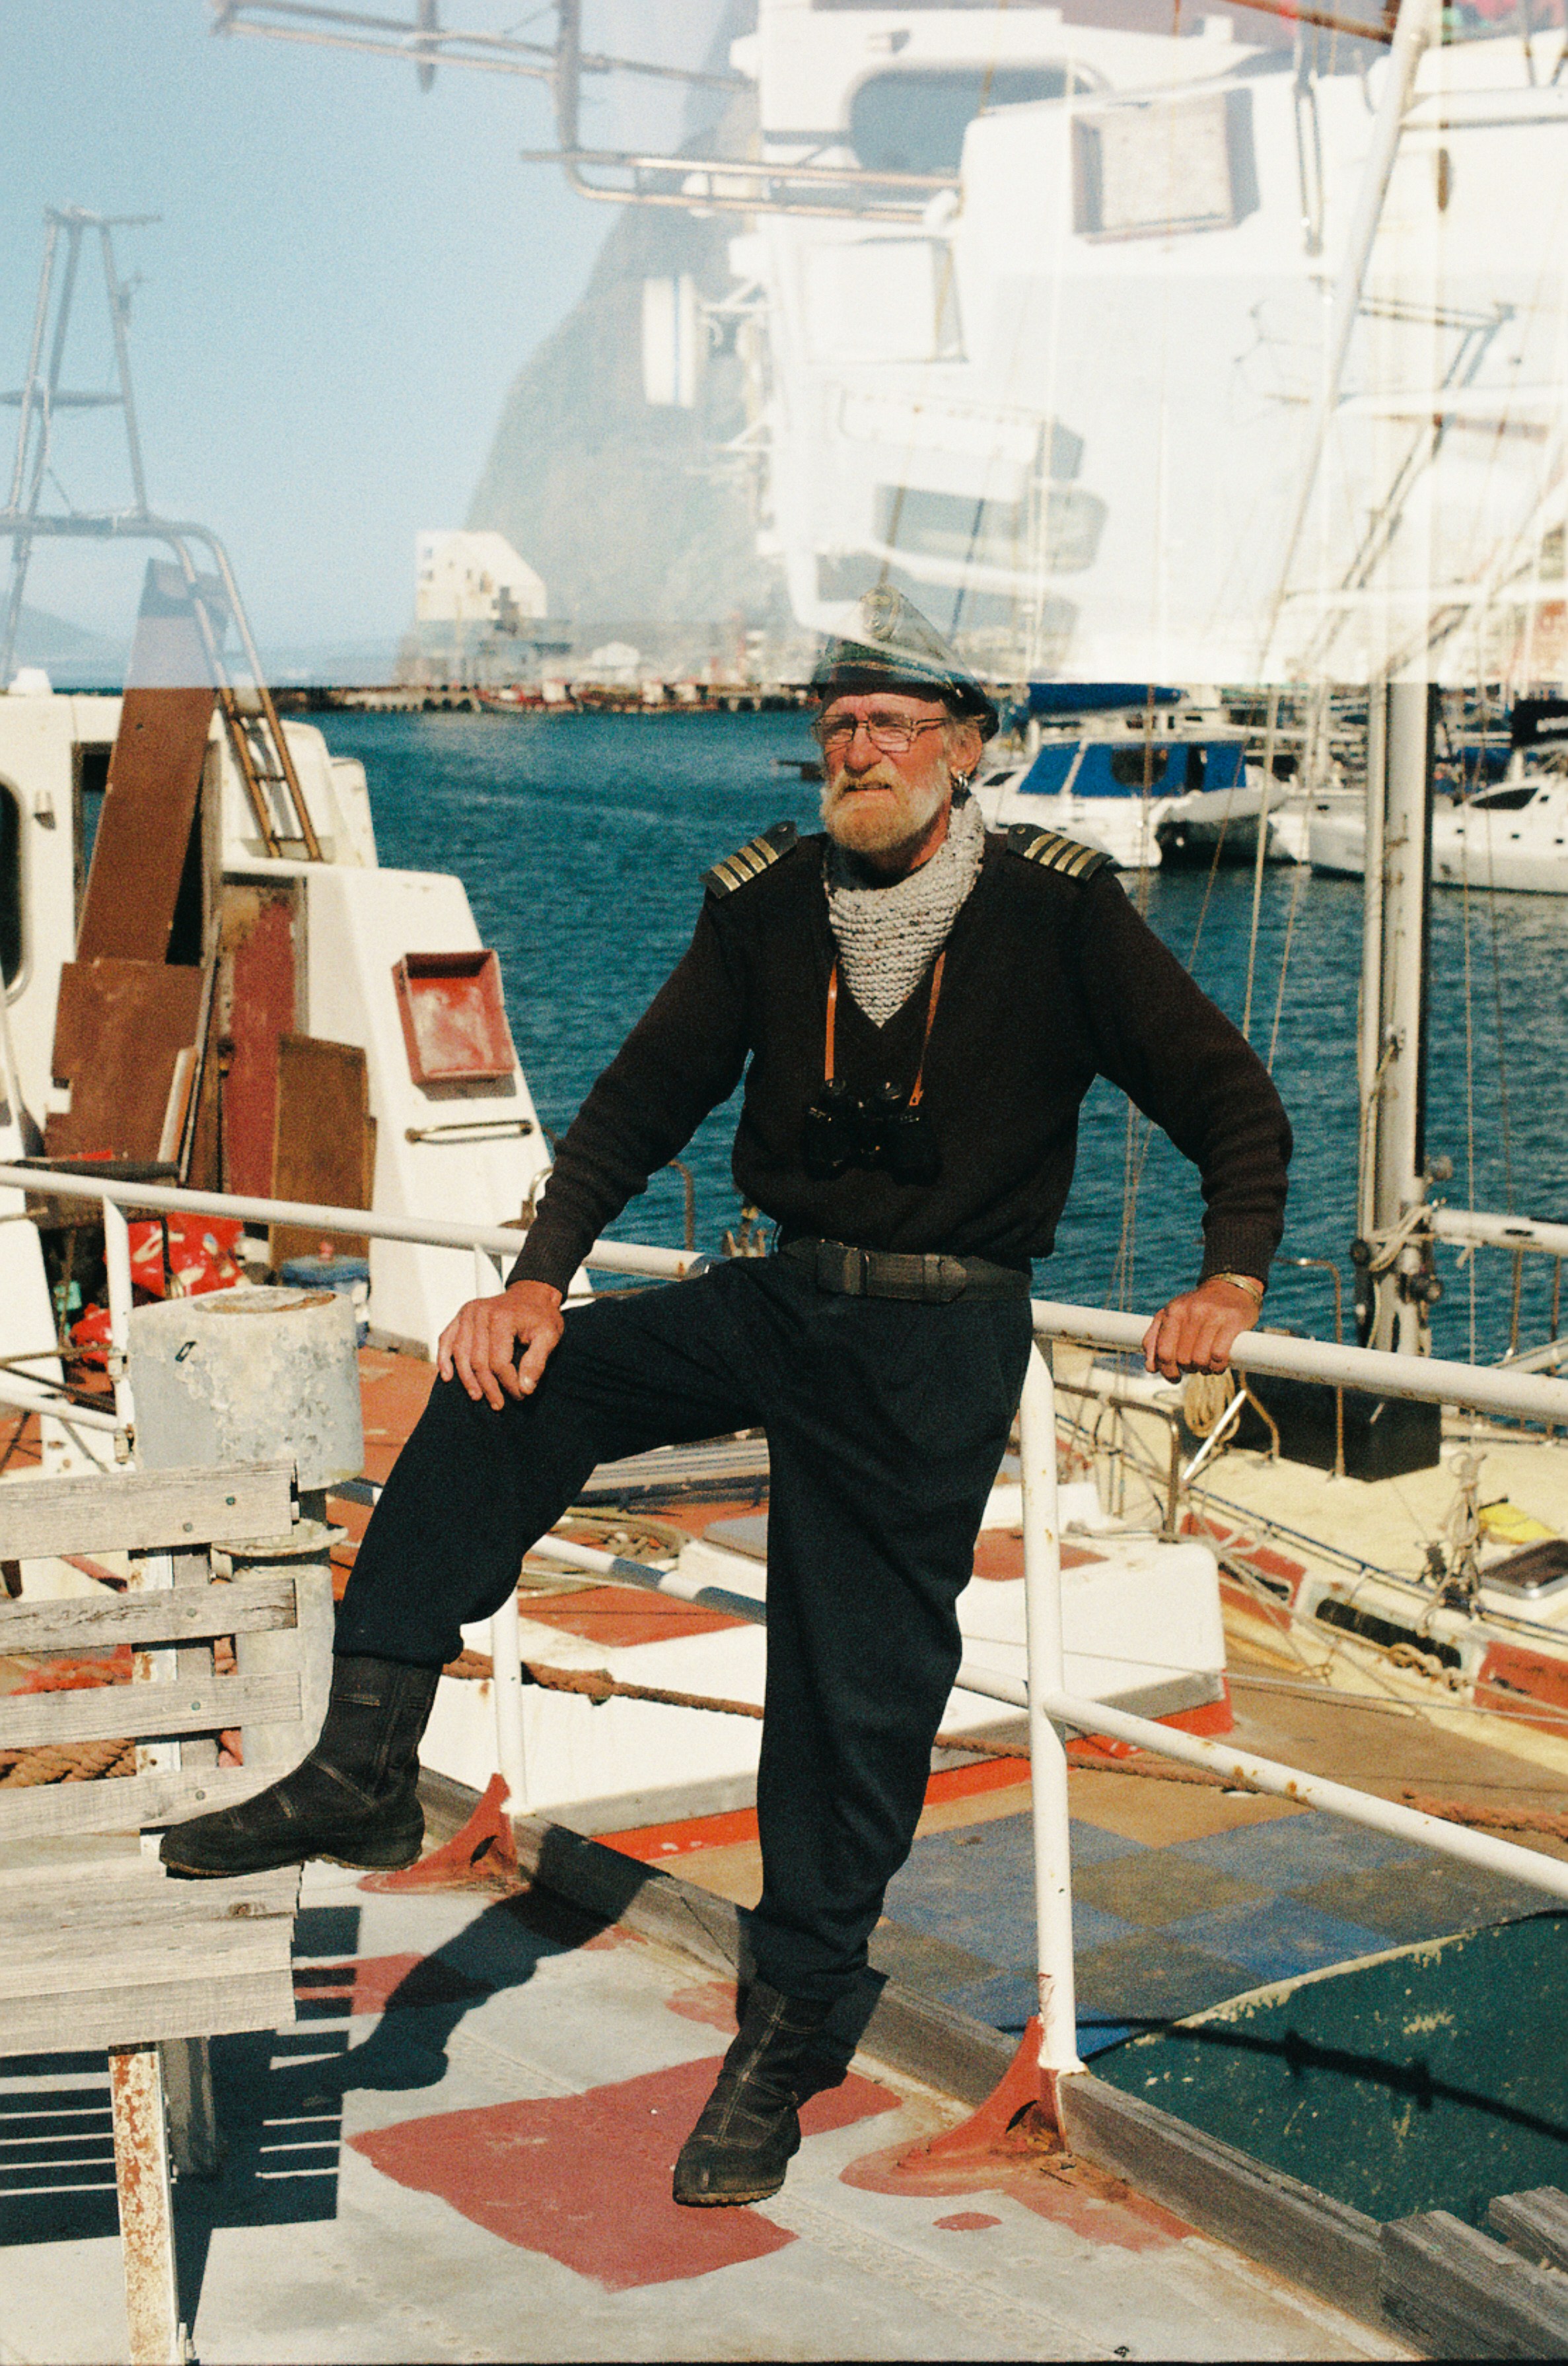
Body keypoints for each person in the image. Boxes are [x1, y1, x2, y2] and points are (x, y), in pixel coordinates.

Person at [162, 588, 1290, 2209]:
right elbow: (640, 1095)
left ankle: (786, 2028)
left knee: (850, 1695)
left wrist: (1231, 1281)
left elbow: (1231, 1106)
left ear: (966, 749)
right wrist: (537, 1274)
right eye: (837, 721)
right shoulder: (767, 900)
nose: (859, 748)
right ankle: (363, 1749)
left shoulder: (1058, 910)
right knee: (511, 1389)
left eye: (896, 724)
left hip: (934, 1342)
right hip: (779, 1297)